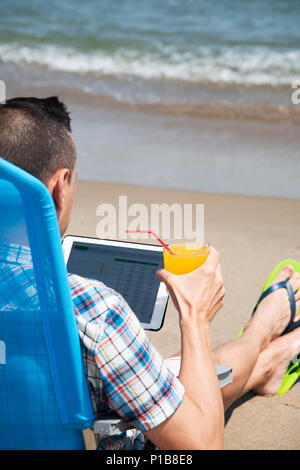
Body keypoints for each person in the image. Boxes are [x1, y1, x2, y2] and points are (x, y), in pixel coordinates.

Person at [0, 96, 299, 450]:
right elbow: (200, 446)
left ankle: (266, 364)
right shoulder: (91, 308)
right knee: (172, 380)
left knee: (151, 369)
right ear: (58, 188)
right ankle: (262, 332)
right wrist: (195, 315)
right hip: (107, 445)